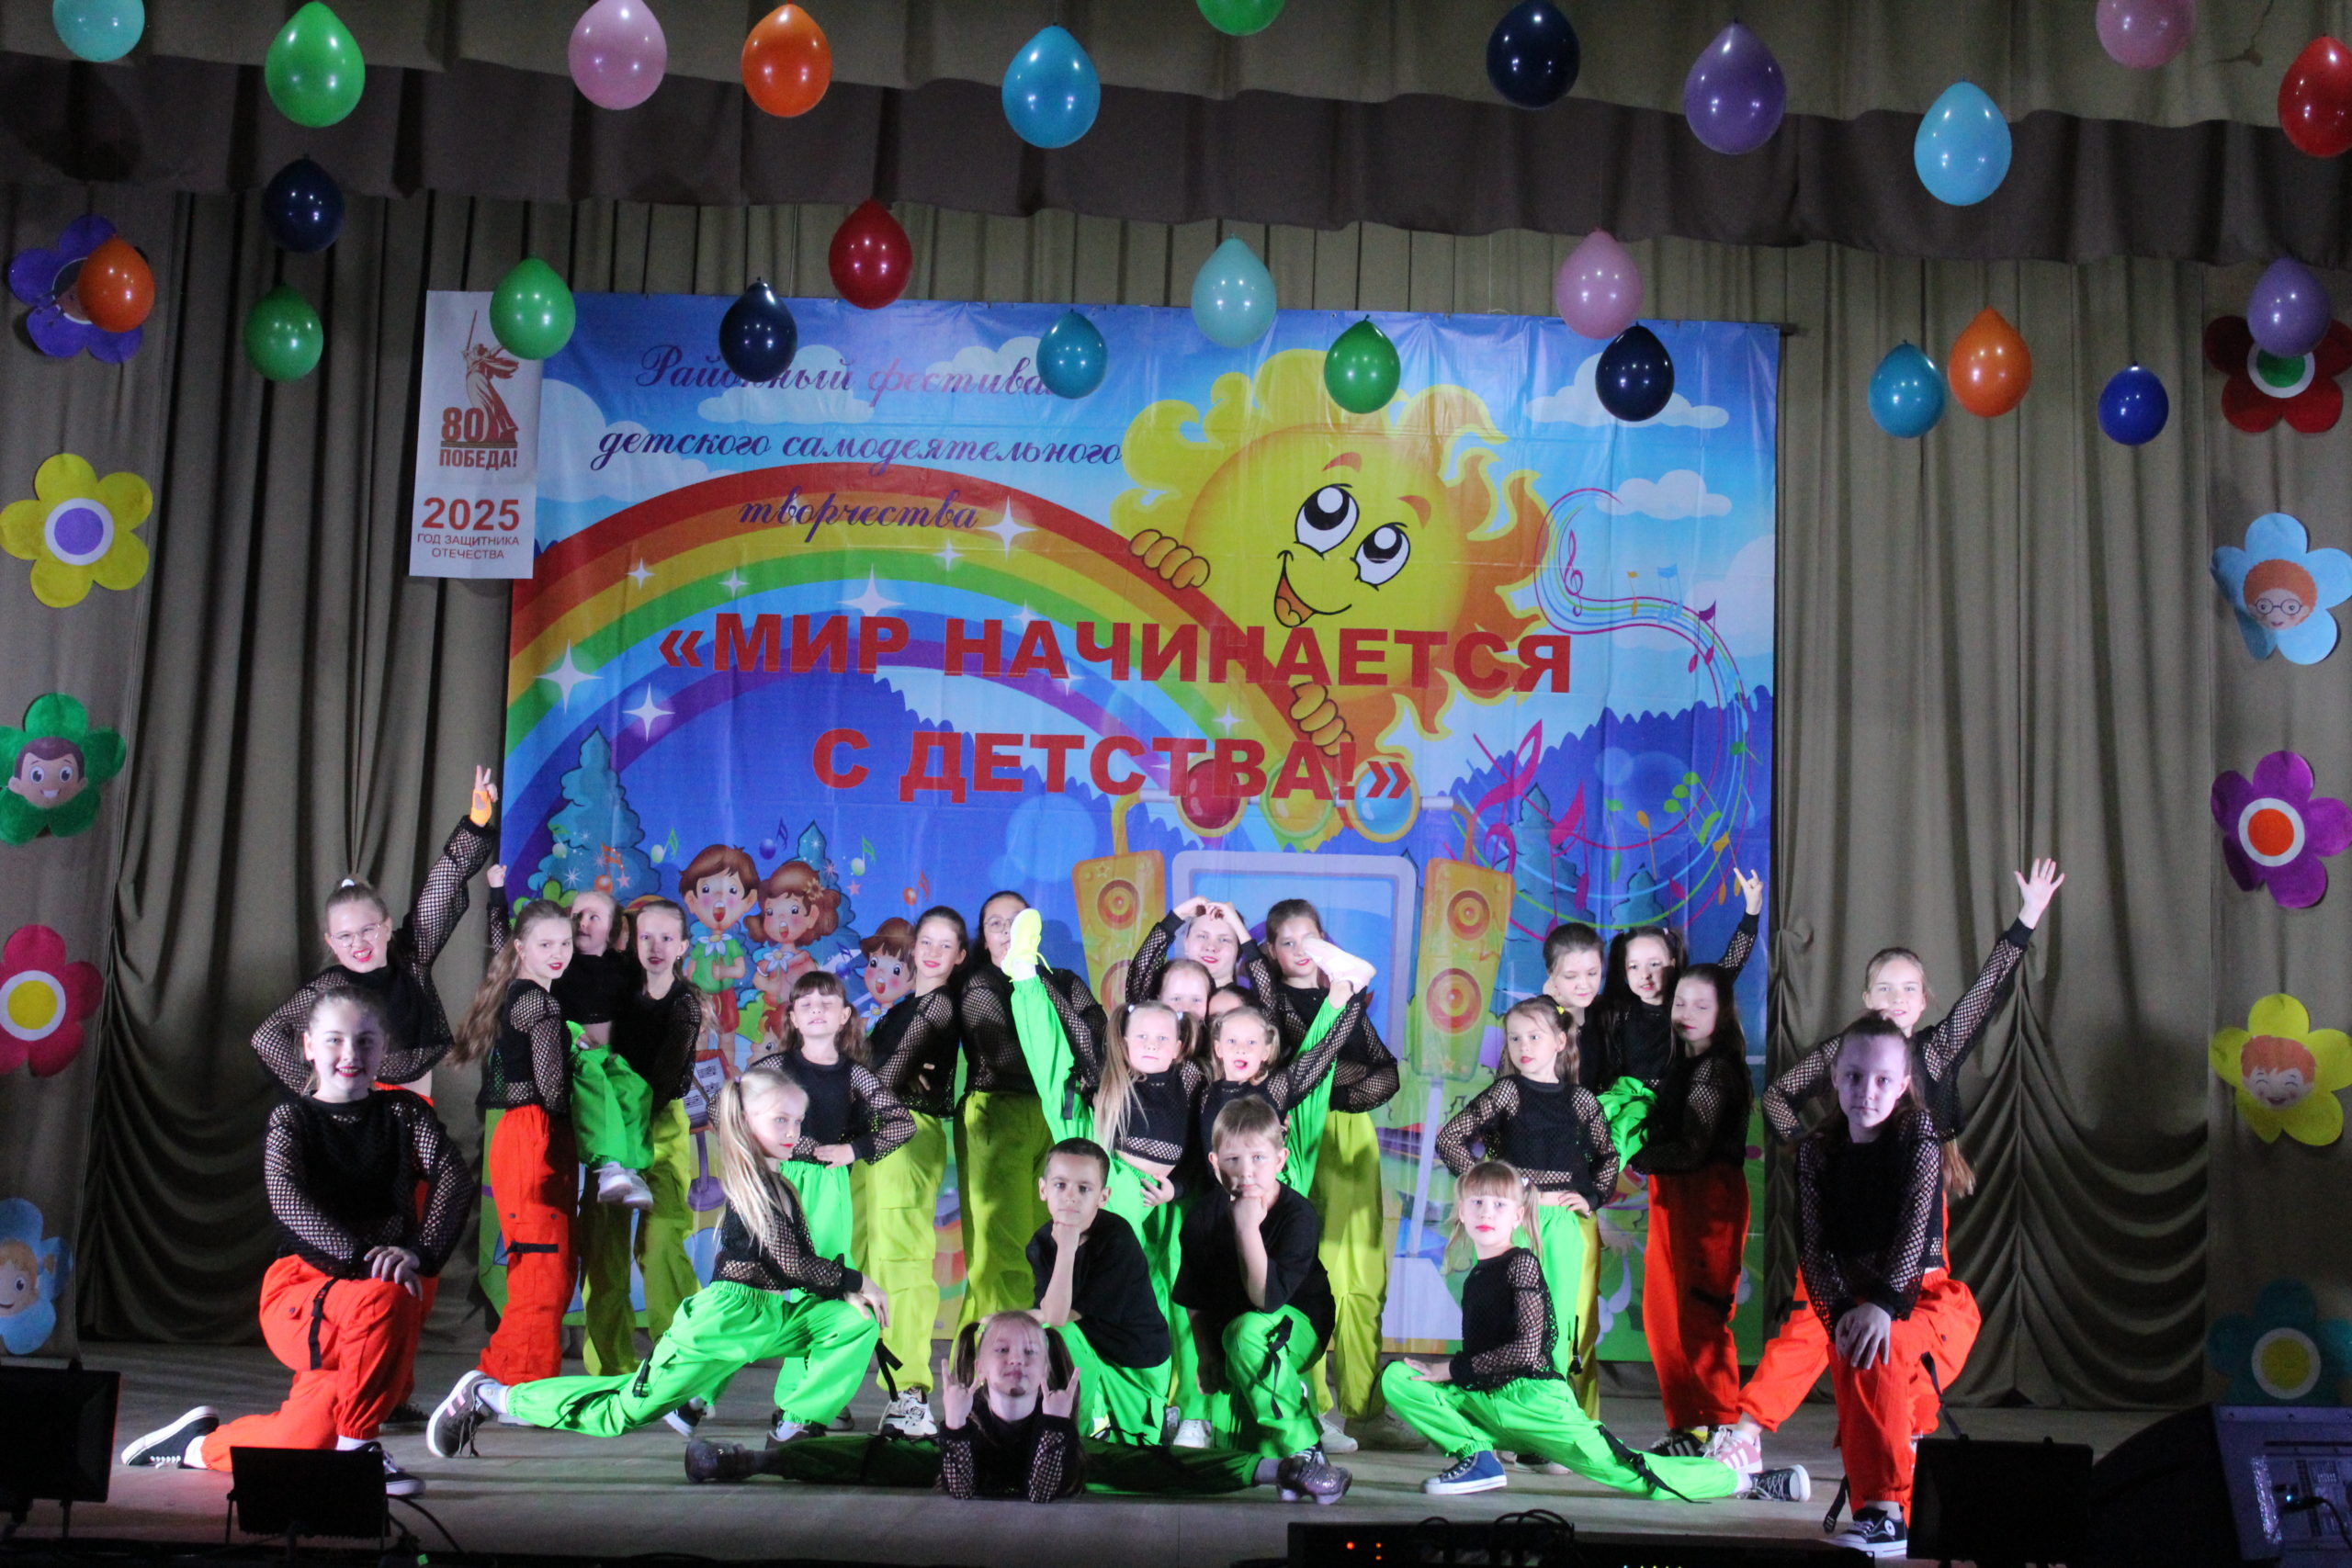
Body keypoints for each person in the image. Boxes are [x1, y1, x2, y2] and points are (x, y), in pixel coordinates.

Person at [1705, 859, 2063, 1479]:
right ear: (1866, 999)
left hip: (1913, 1210)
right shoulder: (1849, 1052)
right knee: (1812, 1319)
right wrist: (1814, 1149)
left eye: (1909, 989)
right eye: (1885, 989)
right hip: (1848, 1200)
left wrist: (2027, 918)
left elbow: (1988, 990)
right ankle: (1746, 1434)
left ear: (1925, 1001)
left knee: (1918, 1320)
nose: (1897, 999)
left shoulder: (1936, 1050)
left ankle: (1906, 1429)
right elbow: (1779, 1094)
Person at [427, 1065, 888, 1455]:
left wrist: (846, 1294)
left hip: (769, 1317)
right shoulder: (753, 1184)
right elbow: (792, 1263)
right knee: (621, 1411)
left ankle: (795, 1427)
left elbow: (799, 1266)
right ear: (744, 1123)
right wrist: (858, 1281)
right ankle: (492, 1396)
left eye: (798, 1121)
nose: (793, 1132)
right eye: (780, 1120)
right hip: (723, 1321)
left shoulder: (783, 1182)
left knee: (853, 1321)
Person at [121, 988, 468, 1497]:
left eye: (365, 1041)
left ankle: (197, 1446)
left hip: (369, 1304)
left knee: (301, 1443)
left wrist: (419, 1252)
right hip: (302, 1294)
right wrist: (364, 1259)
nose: (350, 1054)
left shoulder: (404, 1112)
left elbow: (452, 1177)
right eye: (335, 1040)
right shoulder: (293, 1120)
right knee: (387, 1294)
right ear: (308, 1047)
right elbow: (289, 1202)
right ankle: (358, 1453)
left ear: (384, 1048)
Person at [1382, 1161, 1804, 1505]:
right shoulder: (1477, 1274)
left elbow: (1527, 1352)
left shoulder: (1522, 1264)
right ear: (1461, 1210)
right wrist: (1454, 1376)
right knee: (1399, 1377)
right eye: (1477, 1202)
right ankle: (1478, 1458)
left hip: (1535, 1403)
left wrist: (1451, 1369)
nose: (1486, 1213)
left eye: (1498, 1204)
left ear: (1518, 1215)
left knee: (1632, 1474)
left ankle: (1744, 1481)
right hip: (1485, 1400)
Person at [683, 1311, 1349, 1504]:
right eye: (1002, 1350)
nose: (1017, 1361)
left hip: (1050, 1457)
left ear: (1045, 1365)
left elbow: (1041, 1492)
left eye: (1029, 1352)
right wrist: (951, 1428)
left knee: (1155, 1465)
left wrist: (1057, 1425)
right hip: (967, 1457)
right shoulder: (968, 1406)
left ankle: (1285, 1469)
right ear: (979, 1366)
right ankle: (749, 1461)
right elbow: (962, 1488)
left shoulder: (1053, 1407)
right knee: (866, 1456)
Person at [1792, 1017, 1982, 1557]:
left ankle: (1884, 1513)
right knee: (1857, 1345)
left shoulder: (1917, 1134)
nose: (1866, 1092)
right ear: (1835, 1076)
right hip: (1859, 1304)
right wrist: (1839, 1316)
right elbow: (1814, 1250)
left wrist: (1881, 1305)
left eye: (1881, 1080)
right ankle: (1883, 1504)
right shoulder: (1816, 1151)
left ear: (1903, 1085)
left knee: (1880, 1343)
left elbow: (1914, 1231)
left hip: (1927, 1303)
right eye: (1853, 1077)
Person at [247, 766, 500, 1095]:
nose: (358, 944)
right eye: (345, 936)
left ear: (387, 926)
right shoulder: (332, 988)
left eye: (367, 930)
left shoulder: (411, 958)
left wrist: (477, 821)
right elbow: (266, 1038)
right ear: (331, 942)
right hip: (364, 1111)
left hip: (416, 1110)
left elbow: (443, 885)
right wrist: (320, 1097)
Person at [1252, 898, 1401, 1453]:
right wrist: (1330, 1078)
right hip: (1299, 1136)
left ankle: (1365, 1409)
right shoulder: (1271, 1002)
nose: (1299, 951)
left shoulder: (1347, 1000)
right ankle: (1312, 1410)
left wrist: (1333, 1079)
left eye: (1310, 939)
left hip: (1353, 1139)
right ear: (1271, 950)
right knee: (1306, 1271)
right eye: (1287, 942)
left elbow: (1385, 1075)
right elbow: (1300, 1071)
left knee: (1364, 1277)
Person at [1435, 998, 1618, 1436]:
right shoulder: (1508, 1091)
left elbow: (1607, 1157)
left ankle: (1546, 1429)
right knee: (1505, 1320)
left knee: (1558, 1326)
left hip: (1563, 1227)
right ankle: (1500, 1421)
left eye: (1534, 1036)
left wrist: (1591, 1197)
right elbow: (1450, 1138)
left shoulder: (1581, 1100)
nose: (1524, 1046)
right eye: (1514, 1038)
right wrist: (1496, 1193)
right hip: (1515, 1224)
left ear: (1560, 1041)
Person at [955, 891, 1104, 1326]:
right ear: (983, 938)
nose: (1007, 931)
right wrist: (1063, 1051)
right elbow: (1008, 1055)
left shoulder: (1062, 980)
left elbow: (1098, 1036)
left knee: (1050, 1240)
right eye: (995, 924)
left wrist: (1067, 1054)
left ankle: (1035, 1348)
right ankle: (998, 1351)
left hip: (1057, 1116)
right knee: (1001, 1245)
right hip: (998, 1113)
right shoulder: (982, 985)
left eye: (1016, 921)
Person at [579, 897, 707, 1379]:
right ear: (631, 942)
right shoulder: (617, 985)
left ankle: (680, 1367)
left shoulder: (685, 1005)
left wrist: (629, 1138)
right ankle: (610, 1369)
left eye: (666, 938)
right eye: (645, 936)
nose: (655, 946)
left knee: (661, 1244)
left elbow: (666, 1080)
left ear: (683, 947)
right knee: (603, 1248)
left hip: (659, 1123)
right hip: (613, 1122)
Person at [1632, 962, 1755, 1454]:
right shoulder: (1681, 1062)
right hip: (1671, 1196)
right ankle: (1688, 1426)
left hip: (1709, 1200)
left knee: (1701, 1315)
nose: (1687, 1013)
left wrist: (1632, 1154)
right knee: (1662, 1315)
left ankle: (1721, 1425)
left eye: (1702, 1005)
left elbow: (1692, 1150)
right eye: (1680, 1002)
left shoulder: (1716, 1068)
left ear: (1723, 1012)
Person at [454, 897, 577, 1385]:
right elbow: (553, 1090)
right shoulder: (539, 1003)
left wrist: (497, 897)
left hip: (520, 1134)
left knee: (538, 1264)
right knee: (543, 1268)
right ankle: (520, 1383)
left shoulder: (518, 992)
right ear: (521, 948)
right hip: (535, 1135)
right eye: (546, 945)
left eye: (565, 943)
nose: (558, 954)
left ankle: (509, 1375)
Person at [1172, 1096, 1335, 1464]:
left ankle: (1306, 1447)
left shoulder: (1298, 1215)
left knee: (1247, 1332)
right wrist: (1207, 1355)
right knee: (1242, 1455)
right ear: (1215, 1163)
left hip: (1297, 1323)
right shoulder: (1202, 1217)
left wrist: (1247, 1227)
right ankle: (1290, 1410)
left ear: (1280, 1160)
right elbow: (1194, 1299)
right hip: (1233, 1333)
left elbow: (1266, 1299)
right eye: (1233, 1159)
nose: (1246, 1172)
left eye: (1259, 1158)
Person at [855, 906, 967, 1438]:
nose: (933, 952)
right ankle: (826, 1390)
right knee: (857, 1260)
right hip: (870, 1135)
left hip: (906, 1134)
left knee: (899, 1263)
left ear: (960, 956)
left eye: (946, 945)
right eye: (926, 941)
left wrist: (875, 1079)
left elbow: (886, 1073)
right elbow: (878, 1070)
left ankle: (911, 1395)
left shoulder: (939, 1005)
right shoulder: (906, 1006)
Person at [746, 970, 916, 1267]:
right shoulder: (775, 1067)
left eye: (826, 1003)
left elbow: (902, 1124)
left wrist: (853, 1150)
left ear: (844, 1016)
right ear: (794, 1018)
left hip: (826, 1182)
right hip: (776, 1176)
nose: (817, 1010)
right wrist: (770, 1146)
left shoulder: (855, 1074)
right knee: (772, 1264)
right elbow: (724, 1108)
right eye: (806, 1005)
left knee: (823, 1262)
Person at [1030, 1138, 1172, 1444]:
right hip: (1087, 1351)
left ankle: (1104, 1423)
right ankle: (1064, 1439)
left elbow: (1057, 1315)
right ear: (1043, 1190)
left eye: (1084, 1189)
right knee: (1046, 1335)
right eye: (1060, 1185)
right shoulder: (1041, 1243)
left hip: (1133, 1364)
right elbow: (1053, 1317)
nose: (1070, 1197)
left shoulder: (1117, 1239)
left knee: (1135, 1456)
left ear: (1103, 1196)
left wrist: (1067, 1247)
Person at [1126, 897, 1253, 1001]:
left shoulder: (1248, 1006)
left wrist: (1237, 924)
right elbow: (1138, 983)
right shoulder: (1163, 999)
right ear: (1186, 942)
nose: (1211, 947)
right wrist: (1178, 915)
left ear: (1239, 950)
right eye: (1202, 936)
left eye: (1224, 939)